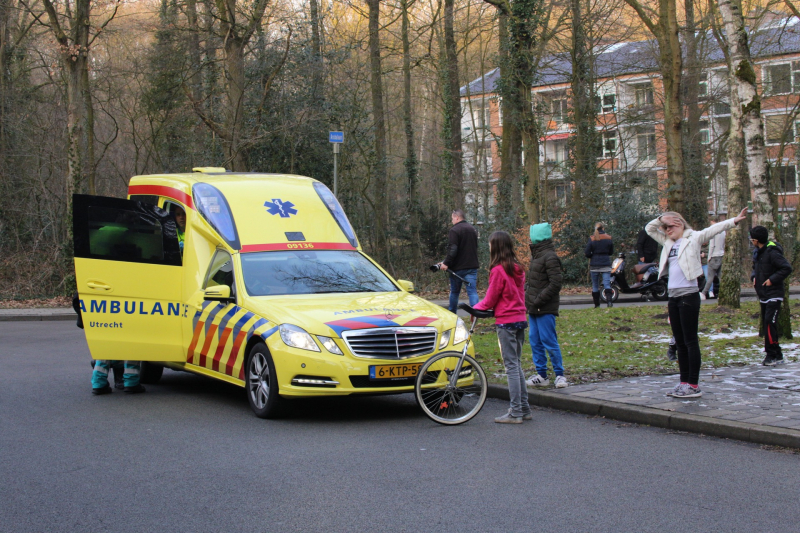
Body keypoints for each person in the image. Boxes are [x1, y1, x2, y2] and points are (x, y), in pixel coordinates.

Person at [646, 207, 747, 398]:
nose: (666, 230)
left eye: (669, 226)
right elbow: (649, 229)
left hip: (688, 296)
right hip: (673, 296)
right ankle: (683, 382)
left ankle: (693, 384)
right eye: (664, 227)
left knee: (690, 340)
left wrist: (735, 220)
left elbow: (716, 228)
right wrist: (662, 218)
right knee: (680, 342)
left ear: (679, 224)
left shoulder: (694, 238)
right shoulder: (667, 242)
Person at [472, 232, 530, 424]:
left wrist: (474, 309)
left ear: (495, 247)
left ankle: (515, 412)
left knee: (511, 366)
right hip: (520, 319)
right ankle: (524, 408)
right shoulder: (517, 268)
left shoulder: (498, 270)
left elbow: (490, 299)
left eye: (490, 245)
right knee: (517, 364)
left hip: (506, 322)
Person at [524, 222, 568, 389]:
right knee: (535, 340)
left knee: (549, 341)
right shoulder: (537, 255)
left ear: (538, 236)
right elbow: (534, 281)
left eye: (531, 235)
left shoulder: (549, 256)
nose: (529, 238)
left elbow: (556, 283)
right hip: (534, 307)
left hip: (545, 307)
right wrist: (527, 293)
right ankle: (542, 375)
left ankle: (560, 375)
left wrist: (539, 299)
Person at [750, 226, 793, 366]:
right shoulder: (757, 253)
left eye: (752, 239)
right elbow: (755, 267)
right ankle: (774, 352)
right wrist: (754, 277)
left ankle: (773, 353)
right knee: (767, 323)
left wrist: (772, 280)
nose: (751, 241)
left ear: (756, 240)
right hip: (763, 294)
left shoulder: (772, 253)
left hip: (774, 293)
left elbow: (786, 268)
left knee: (769, 323)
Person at [438, 209, 479, 313]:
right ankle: (476, 313)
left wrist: (446, 263)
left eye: (452, 218)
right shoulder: (473, 229)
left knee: (455, 292)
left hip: (457, 268)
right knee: (472, 292)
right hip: (471, 266)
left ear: (457, 218)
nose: (452, 221)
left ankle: (452, 313)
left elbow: (453, 249)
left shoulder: (454, 230)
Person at [584, 222, 614, 308]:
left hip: (594, 264)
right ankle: (609, 302)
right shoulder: (608, 238)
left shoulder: (592, 238)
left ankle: (597, 304)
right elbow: (611, 252)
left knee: (595, 285)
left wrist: (592, 256)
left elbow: (587, 252)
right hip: (605, 263)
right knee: (607, 284)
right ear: (603, 228)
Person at [702, 215, 726, 299]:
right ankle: (723, 294)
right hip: (721, 255)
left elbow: (711, 245)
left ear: (711, 221)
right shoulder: (723, 230)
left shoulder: (713, 230)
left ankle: (704, 293)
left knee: (710, 277)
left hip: (714, 256)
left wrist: (709, 257)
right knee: (720, 277)